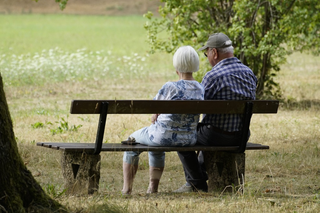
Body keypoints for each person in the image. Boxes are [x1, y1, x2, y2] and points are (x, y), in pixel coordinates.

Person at [174, 33, 258, 193]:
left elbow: (196, 107)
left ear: (214, 52)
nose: (207, 58)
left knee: (181, 135)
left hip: (216, 136)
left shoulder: (212, 76)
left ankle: (196, 182)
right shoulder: (249, 73)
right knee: (207, 130)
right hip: (241, 136)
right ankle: (197, 179)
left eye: (206, 54)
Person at [122, 46, 204, 195]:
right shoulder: (200, 88)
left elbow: (154, 112)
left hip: (162, 137)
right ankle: (152, 188)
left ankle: (127, 189)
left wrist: (155, 116)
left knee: (131, 142)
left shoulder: (170, 87)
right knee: (155, 143)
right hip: (188, 139)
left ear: (176, 66)